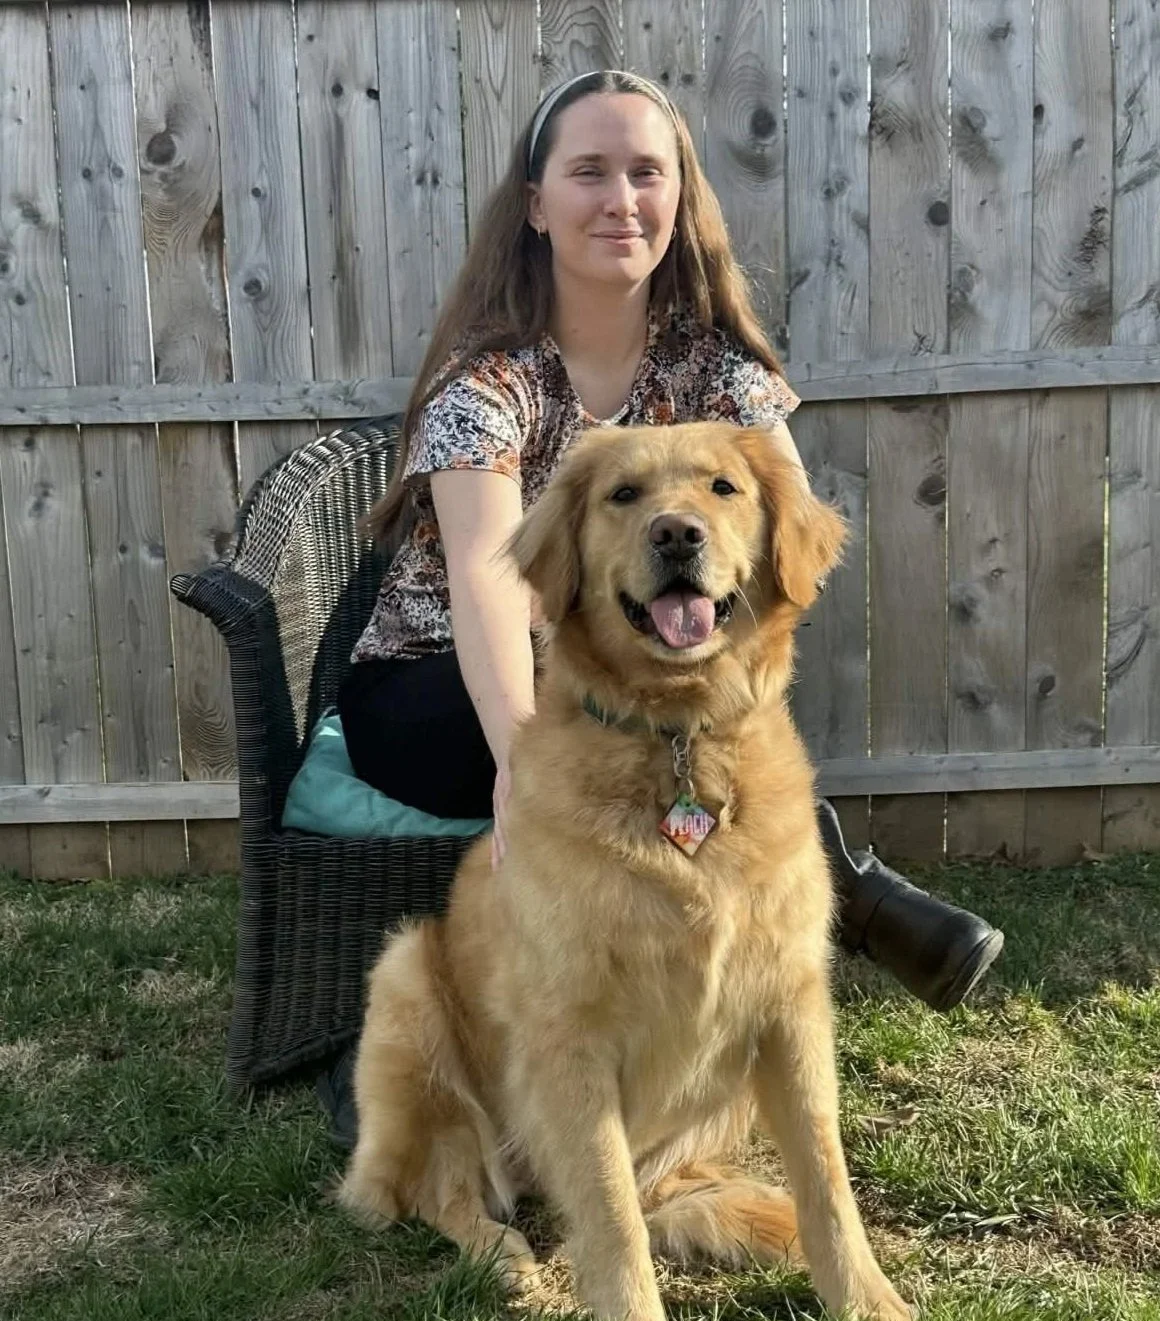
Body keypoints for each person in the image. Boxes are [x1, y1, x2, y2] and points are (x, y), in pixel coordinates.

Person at [320, 70, 1002, 1143]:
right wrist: (516, 764)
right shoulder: (487, 385)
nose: (619, 198)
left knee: (703, 737)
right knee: (630, 737)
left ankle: (706, 991)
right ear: (535, 203)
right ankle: (851, 896)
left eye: (647, 171)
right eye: (587, 171)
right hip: (433, 691)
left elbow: (783, 551)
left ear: (679, 198)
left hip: (637, 680)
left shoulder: (718, 372)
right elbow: (489, 592)